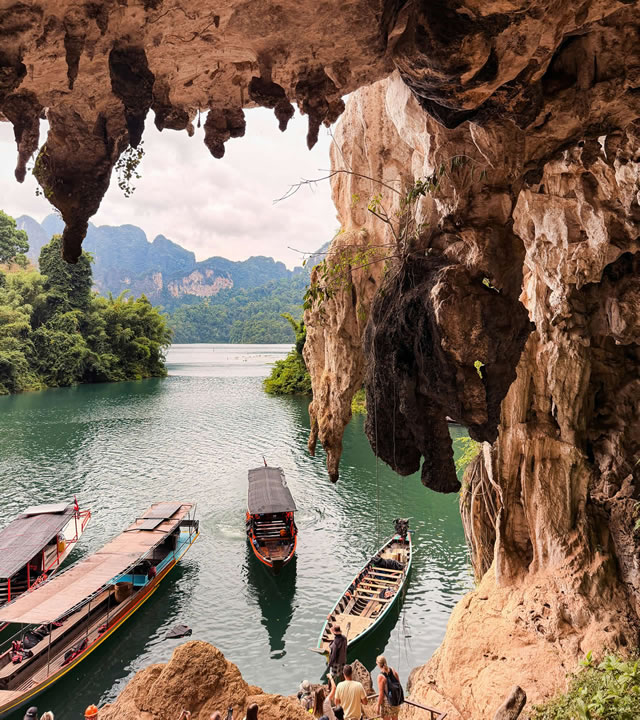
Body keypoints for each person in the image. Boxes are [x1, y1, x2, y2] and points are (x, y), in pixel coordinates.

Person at [376, 655, 403, 720]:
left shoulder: (381, 677)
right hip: (396, 700)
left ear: (378, 664)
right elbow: (398, 684)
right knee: (395, 718)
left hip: (387, 703)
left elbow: (381, 694)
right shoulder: (393, 670)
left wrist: (378, 706)